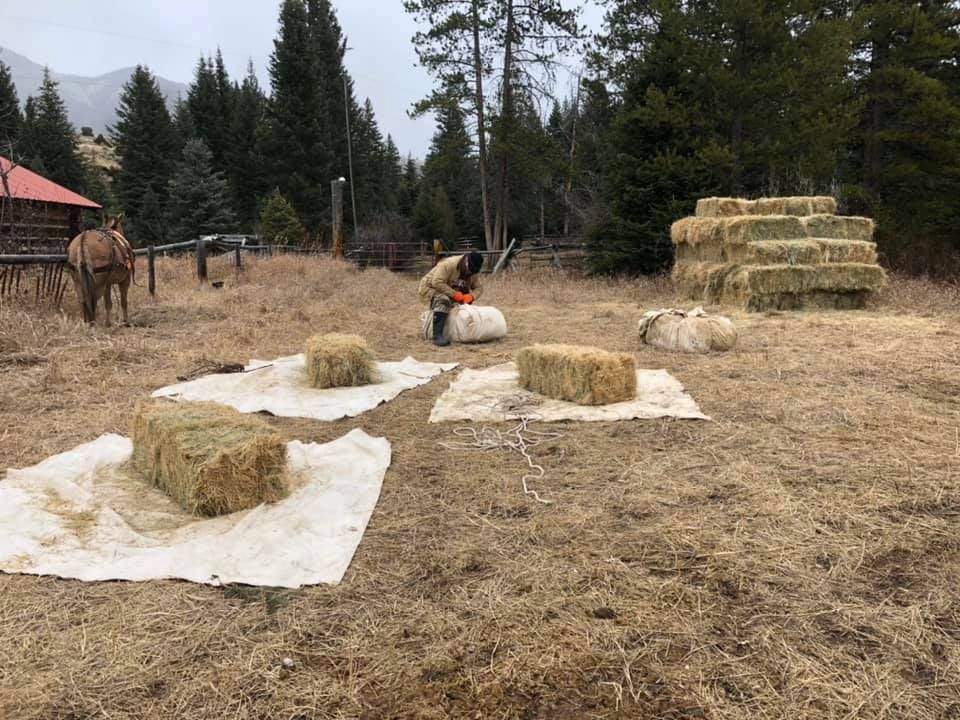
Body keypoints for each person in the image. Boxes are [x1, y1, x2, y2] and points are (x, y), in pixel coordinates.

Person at [418, 250, 484, 346]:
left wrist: (471, 296)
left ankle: (452, 330)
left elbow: (479, 288)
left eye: (473, 271)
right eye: (470, 270)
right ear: (466, 262)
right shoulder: (449, 264)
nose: (470, 272)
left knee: (462, 306)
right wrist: (455, 294)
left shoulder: (473, 270)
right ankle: (437, 336)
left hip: (449, 289)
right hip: (430, 287)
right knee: (443, 300)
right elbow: (436, 282)